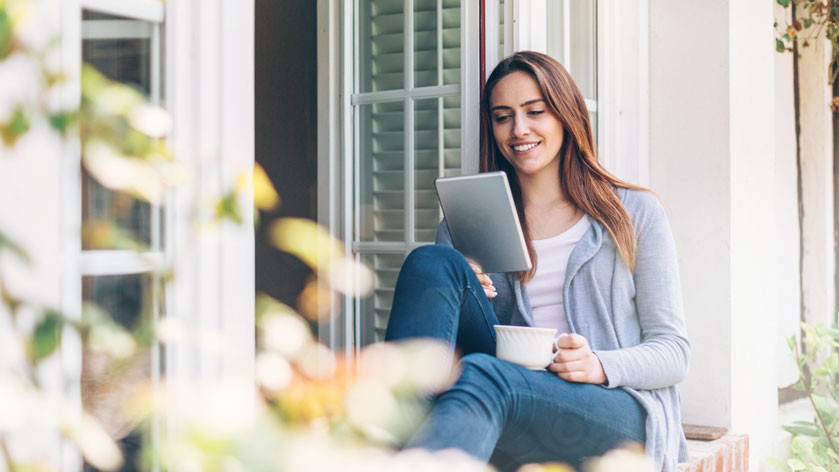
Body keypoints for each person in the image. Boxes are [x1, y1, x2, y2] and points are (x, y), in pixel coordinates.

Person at [384, 51, 690, 472]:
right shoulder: (467, 224)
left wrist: (600, 364)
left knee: (483, 375)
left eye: (535, 111)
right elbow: (450, 344)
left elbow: (673, 352)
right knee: (431, 262)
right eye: (502, 116)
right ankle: (400, 423)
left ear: (566, 115)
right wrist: (468, 291)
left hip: (612, 408)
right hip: (509, 390)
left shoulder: (633, 213)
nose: (518, 129)